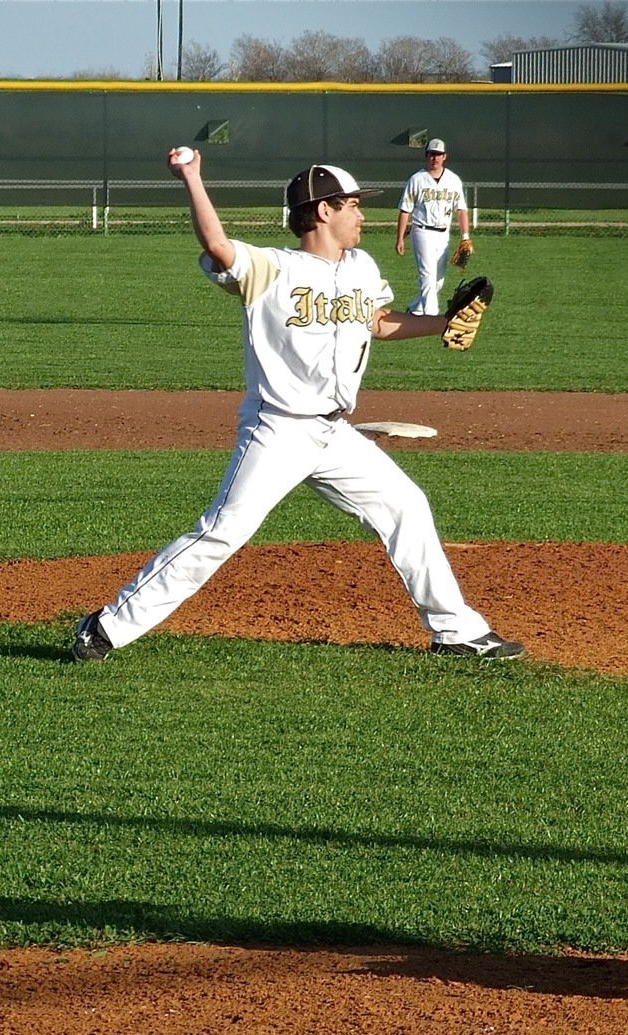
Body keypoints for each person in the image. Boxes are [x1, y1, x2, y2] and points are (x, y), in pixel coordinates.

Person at [72, 152, 524, 664]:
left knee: (407, 506)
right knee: (221, 533)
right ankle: (104, 626)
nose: (361, 214)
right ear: (323, 211)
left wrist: (443, 321)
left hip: (335, 434)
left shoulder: (363, 267)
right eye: (352, 205)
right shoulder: (271, 269)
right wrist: (193, 177)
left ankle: (455, 632)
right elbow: (219, 247)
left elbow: (377, 322)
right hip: (278, 431)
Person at [395, 138, 472, 316]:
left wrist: (465, 236)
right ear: (426, 156)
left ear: (445, 156)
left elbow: (461, 210)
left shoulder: (453, 180)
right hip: (422, 231)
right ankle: (431, 316)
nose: (434, 158)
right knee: (428, 275)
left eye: (438, 155)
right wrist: (400, 238)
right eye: (431, 154)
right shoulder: (417, 179)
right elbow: (405, 210)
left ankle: (415, 309)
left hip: (443, 233)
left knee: (438, 280)